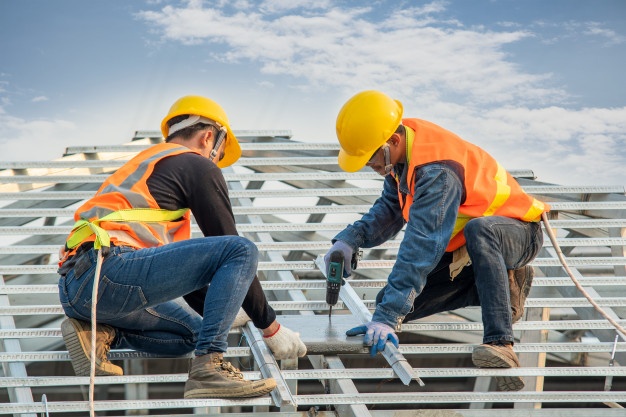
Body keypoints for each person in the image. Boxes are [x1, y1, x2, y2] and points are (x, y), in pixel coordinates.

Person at [57, 95, 306, 399]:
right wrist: (270, 327)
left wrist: (230, 303)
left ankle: (99, 334)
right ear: (208, 137)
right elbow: (230, 245)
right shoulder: (195, 165)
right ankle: (209, 366)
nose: (215, 164)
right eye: (218, 155)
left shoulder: (150, 169)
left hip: (79, 288)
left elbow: (183, 276)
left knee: (192, 333)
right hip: (110, 271)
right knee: (241, 250)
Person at [325, 90, 549, 391]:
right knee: (397, 305)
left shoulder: (437, 171)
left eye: (369, 157)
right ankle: (489, 285)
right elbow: (390, 211)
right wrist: (350, 240)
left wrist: (389, 315)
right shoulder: (404, 158)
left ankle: (501, 342)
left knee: (477, 232)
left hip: (518, 233)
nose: (368, 165)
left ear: (392, 141)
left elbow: (422, 244)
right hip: (470, 251)